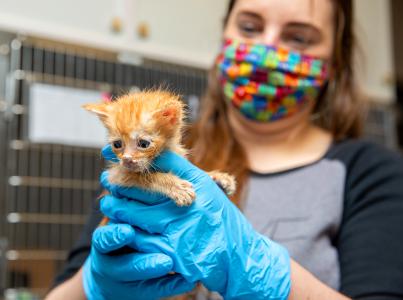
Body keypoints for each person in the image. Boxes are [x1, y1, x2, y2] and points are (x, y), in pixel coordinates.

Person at [46, 0, 403, 299]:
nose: (267, 48)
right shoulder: (148, 153)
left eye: (297, 37)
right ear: (224, 37)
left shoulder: (371, 173)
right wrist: (92, 284)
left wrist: (269, 277)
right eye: (250, 28)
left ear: (333, 64)